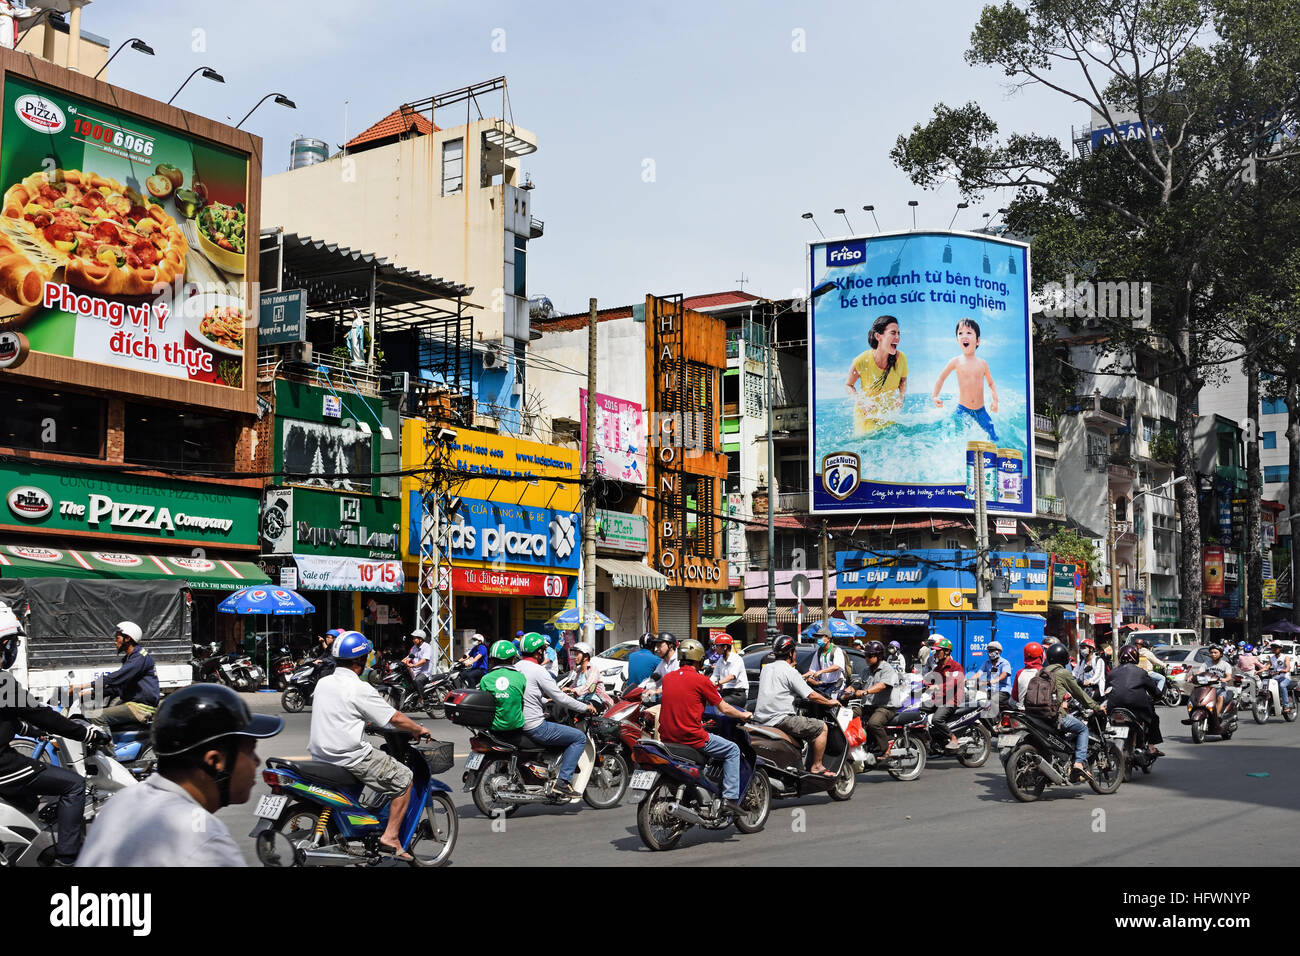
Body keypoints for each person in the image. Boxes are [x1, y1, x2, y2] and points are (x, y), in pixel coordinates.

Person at [77, 684, 283, 866]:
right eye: (249, 751)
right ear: (215, 761)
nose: (256, 761)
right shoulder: (205, 839)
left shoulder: (122, 800)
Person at [308, 631, 432, 860]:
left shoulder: (324, 682)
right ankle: (391, 837)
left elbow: (339, 711)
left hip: (320, 755)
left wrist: (364, 720)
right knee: (404, 778)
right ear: (361, 661)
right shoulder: (359, 688)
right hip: (349, 756)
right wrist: (418, 729)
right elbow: (394, 718)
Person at [0, 608, 107, 866]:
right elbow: (40, 713)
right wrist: (86, 732)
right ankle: (68, 857)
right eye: (13, 642)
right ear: (4, 643)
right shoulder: (3, 681)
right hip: (3, 765)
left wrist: (33, 731)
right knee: (73, 784)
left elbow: (11, 718)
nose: (13, 648)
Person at [659, 639, 752, 815]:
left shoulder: (668, 678)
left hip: (667, 737)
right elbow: (724, 708)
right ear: (699, 660)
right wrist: (743, 714)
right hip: (691, 737)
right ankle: (730, 800)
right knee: (732, 749)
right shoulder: (701, 680)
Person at [516, 632, 595, 799]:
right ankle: (563, 782)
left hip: (519, 722)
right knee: (578, 738)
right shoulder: (538, 670)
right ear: (538, 652)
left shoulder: (516, 667)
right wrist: (584, 707)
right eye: (542, 650)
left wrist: (545, 700)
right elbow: (561, 698)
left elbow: (528, 694)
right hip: (535, 726)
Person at [753, 635, 838, 776]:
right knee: (821, 727)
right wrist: (829, 702)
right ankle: (817, 766)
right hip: (781, 719)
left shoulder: (767, 668)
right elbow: (810, 695)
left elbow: (779, 688)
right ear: (791, 653)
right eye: (795, 651)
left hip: (760, 719)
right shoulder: (790, 671)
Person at [73, 622, 158, 732]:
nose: (114, 642)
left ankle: (107, 748)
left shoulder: (139, 658)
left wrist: (81, 686)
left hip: (140, 707)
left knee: (96, 716)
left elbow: (116, 678)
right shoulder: (130, 658)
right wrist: (90, 693)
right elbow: (118, 688)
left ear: (127, 638)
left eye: (117, 638)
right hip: (132, 703)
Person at [930, 317, 1000, 442]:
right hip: (962, 409)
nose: (964, 336)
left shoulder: (982, 364)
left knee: (991, 432)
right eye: (960, 333)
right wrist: (935, 396)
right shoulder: (956, 361)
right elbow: (941, 378)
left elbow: (991, 383)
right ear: (957, 340)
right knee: (956, 435)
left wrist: (995, 401)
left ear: (977, 340)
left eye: (969, 332)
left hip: (980, 410)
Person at [1041, 642, 1103, 781]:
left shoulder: (1041, 672)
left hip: (1038, 715)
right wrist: (1096, 707)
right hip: (1055, 716)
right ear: (1064, 658)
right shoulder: (1063, 672)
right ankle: (1079, 763)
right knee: (1082, 729)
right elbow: (1079, 694)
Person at [845, 314, 908, 436]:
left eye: (899, 333)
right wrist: (861, 402)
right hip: (866, 418)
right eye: (893, 333)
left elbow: (903, 380)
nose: (898, 337)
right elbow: (848, 385)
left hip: (888, 417)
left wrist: (901, 396)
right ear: (878, 336)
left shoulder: (901, 358)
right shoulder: (861, 360)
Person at [842, 640, 901, 757]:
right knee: (847, 715)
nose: (867, 658)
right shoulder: (866, 670)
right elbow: (856, 684)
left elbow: (882, 685)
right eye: (866, 655)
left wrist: (865, 691)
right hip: (869, 705)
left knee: (873, 723)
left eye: (870, 655)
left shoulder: (887, 669)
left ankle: (886, 750)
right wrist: (843, 693)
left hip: (885, 707)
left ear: (878, 656)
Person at [1105, 645, 1164, 759]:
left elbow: (1106, 690)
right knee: (1154, 718)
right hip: (1136, 709)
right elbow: (1153, 689)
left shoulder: (1112, 673)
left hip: (1114, 708)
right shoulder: (1141, 672)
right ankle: (1151, 747)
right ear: (1135, 657)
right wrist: (1160, 696)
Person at [479, 641, 527, 734]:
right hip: (517, 727)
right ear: (513, 659)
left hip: (493, 728)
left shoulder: (485, 679)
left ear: (492, 660)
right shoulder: (520, 676)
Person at [925, 636, 965, 751]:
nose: (935, 654)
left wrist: (936, 686)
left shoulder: (956, 667)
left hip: (951, 700)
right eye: (935, 651)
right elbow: (929, 681)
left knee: (937, 719)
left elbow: (952, 684)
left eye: (938, 651)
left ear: (947, 652)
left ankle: (953, 739)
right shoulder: (938, 668)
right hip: (938, 699)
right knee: (918, 710)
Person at [1190, 645, 1235, 719]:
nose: (1213, 654)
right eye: (1211, 653)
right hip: (1207, 687)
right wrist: (1192, 677)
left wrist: (1225, 679)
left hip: (1219, 687)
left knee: (1220, 697)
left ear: (1221, 654)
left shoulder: (1226, 665)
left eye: (1215, 652)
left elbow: (1229, 676)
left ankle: (1216, 716)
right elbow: (1199, 672)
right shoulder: (1206, 664)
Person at [710, 635, 749, 708]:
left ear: (725, 647)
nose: (715, 649)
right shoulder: (720, 661)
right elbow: (714, 676)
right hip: (725, 693)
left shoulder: (737, 659)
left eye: (717, 646)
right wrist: (707, 684)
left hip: (737, 694)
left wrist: (717, 683)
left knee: (718, 703)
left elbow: (731, 676)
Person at [805, 632, 847, 698]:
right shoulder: (818, 652)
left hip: (835, 685)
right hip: (822, 685)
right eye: (817, 637)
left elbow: (837, 666)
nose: (818, 639)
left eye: (820, 637)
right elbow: (812, 670)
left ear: (828, 638)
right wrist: (802, 676)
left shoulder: (837, 650)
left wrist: (821, 671)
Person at [978, 640, 1013, 712]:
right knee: (978, 700)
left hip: (1003, 691)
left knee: (991, 702)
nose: (990, 653)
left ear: (999, 651)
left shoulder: (1005, 663)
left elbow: (1005, 673)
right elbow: (979, 673)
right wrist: (967, 679)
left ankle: (995, 721)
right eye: (989, 651)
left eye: (992, 650)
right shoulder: (986, 663)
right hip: (990, 690)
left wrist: (996, 680)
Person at [1011, 641, 1044, 707]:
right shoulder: (1044, 672)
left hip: (1021, 712)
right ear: (1041, 656)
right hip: (1038, 713)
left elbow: (1015, 696)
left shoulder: (1019, 673)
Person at [1267, 641, 1293, 711]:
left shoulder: (1285, 657)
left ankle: (1286, 706)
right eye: (1272, 647)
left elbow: (1288, 667)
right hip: (1275, 678)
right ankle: (1270, 704)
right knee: (1267, 686)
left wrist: (1285, 670)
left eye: (1276, 647)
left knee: (1282, 685)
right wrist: (1258, 671)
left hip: (1285, 677)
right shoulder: (1272, 658)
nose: (1274, 649)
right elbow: (1266, 667)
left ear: (1280, 648)